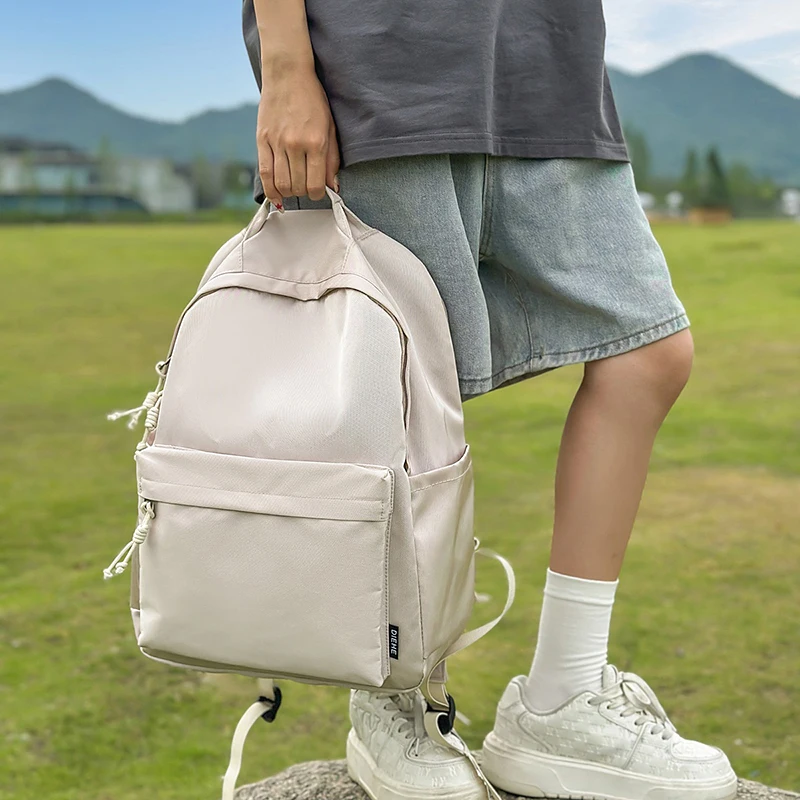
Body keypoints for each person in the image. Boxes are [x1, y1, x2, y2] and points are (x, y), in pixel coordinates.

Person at [241, 2, 737, 799]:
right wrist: (287, 65)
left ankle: (563, 697)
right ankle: (393, 699)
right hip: (377, 65)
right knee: (395, 391)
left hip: (550, 62)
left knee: (649, 351)